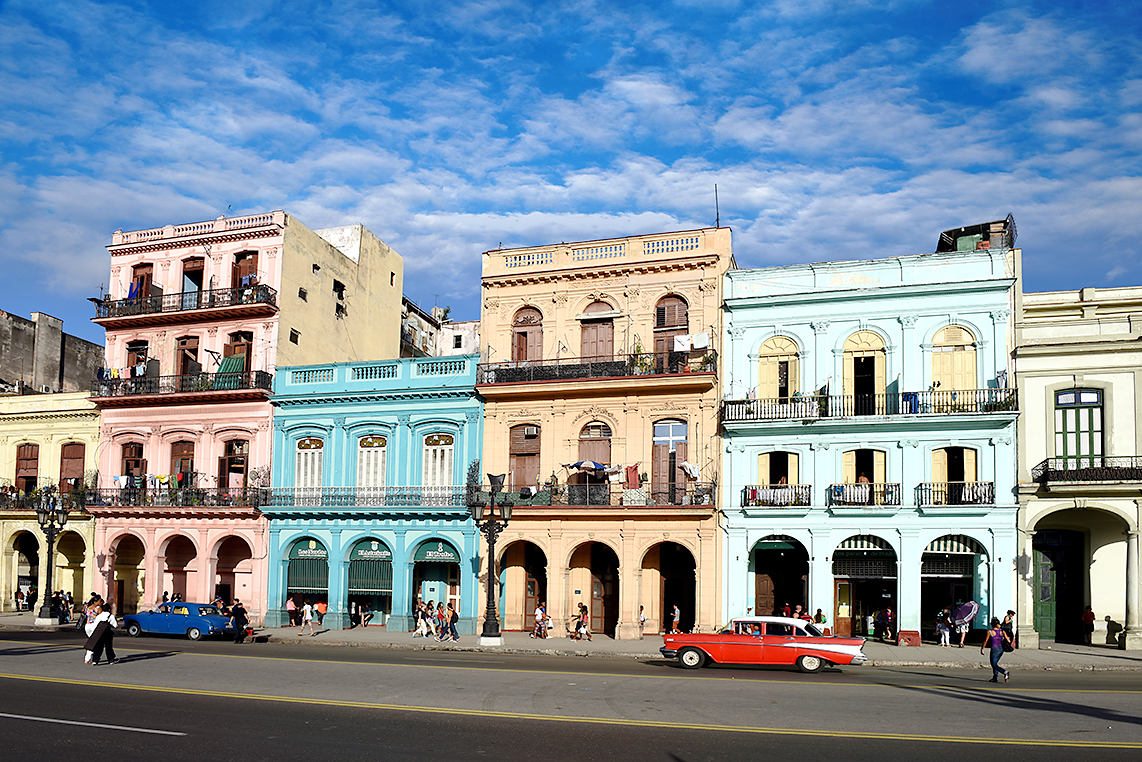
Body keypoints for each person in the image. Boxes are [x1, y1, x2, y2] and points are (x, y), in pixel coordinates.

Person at [981, 617, 1012, 683]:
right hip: (1001, 649)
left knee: (994, 664)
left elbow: (985, 641)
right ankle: (995, 677)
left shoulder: (990, 632)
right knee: (995, 663)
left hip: (994, 649)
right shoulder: (1002, 632)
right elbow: (1009, 640)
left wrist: (982, 648)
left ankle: (1005, 672)